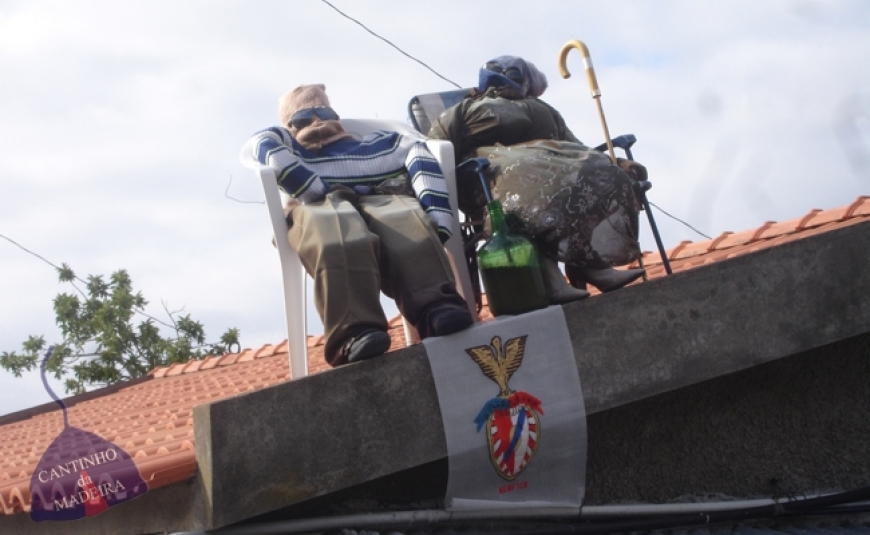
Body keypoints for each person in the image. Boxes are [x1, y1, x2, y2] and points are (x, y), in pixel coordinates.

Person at [248, 84, 474, 367]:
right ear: (288, 126)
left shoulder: (382, 142)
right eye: (303, 119)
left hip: (383, 195)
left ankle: (437, 307)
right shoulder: (289, 146)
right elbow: (260, 143)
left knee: (408, 226)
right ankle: (355, 332)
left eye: (324, 112)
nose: (317, 121)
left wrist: (438, 213)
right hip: (319, 204)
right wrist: (309, 186)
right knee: (338, 236)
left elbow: (418, 152)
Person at [428, 55, 646, 298]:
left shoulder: (543, 109)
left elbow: (576, 146)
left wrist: (612, 162)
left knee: (595, 167)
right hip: (491, 174)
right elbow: (435, 150)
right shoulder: (464, 110)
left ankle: (593, 267)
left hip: (551, 167)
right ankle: (551, 279)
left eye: (514, 73)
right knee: (528, 182)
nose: (507, 77)